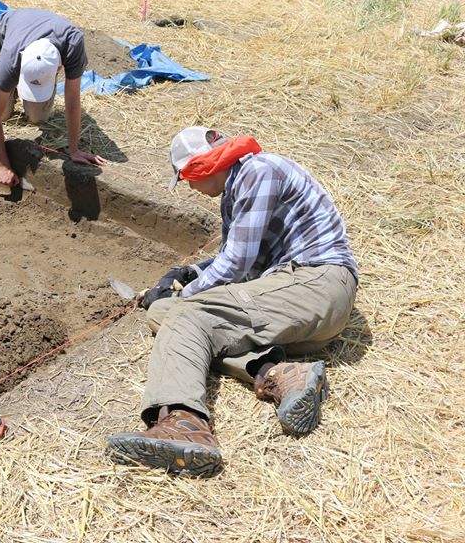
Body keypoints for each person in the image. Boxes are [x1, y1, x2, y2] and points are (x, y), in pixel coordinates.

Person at [106, 126, 358, 476]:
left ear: (200, 168)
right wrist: (189, 272)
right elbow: (241, 261)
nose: (190, 188)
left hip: (317, 284)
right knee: (163, 313)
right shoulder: (239, 186)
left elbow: (236, 263)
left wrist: (186, 293)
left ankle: (183, 423)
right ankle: (278, 373)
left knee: (187, 314)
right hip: (296, 301)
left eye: (187, 179)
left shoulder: (260, 171)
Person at [0, 8, 106, 186]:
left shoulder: (73, 44)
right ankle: (5, 87)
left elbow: (72, 101)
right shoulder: (9, 60)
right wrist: (2, 164)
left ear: (58, 68)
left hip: (35, 39)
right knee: (2, 114)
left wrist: (74, 150)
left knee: (38, 117)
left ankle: (13, 89)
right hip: (6, 37)